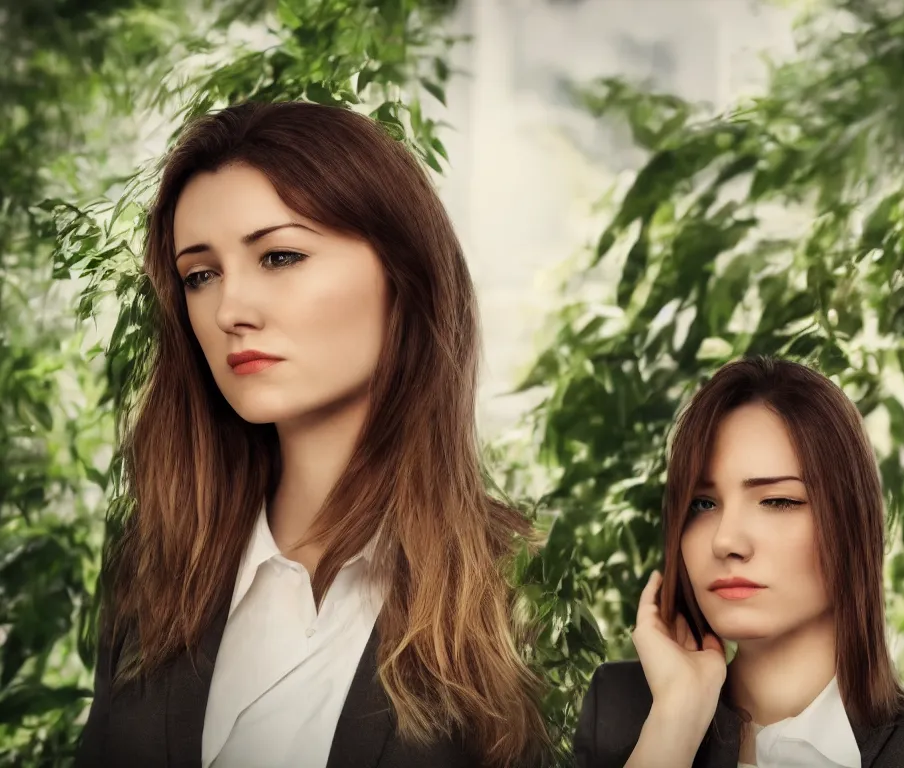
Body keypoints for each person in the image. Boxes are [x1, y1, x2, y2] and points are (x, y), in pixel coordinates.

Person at [74, 101, 551, 768]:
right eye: (200, 275)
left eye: (280, 255)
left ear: (401, 274)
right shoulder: (154, 562)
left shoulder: (513, 588)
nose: (231, 310)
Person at [573, 357, 904, 768]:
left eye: (778, 500)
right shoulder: (622, 714)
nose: (726, 541)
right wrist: (675, 723)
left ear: (851, 521)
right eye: (703, 504)